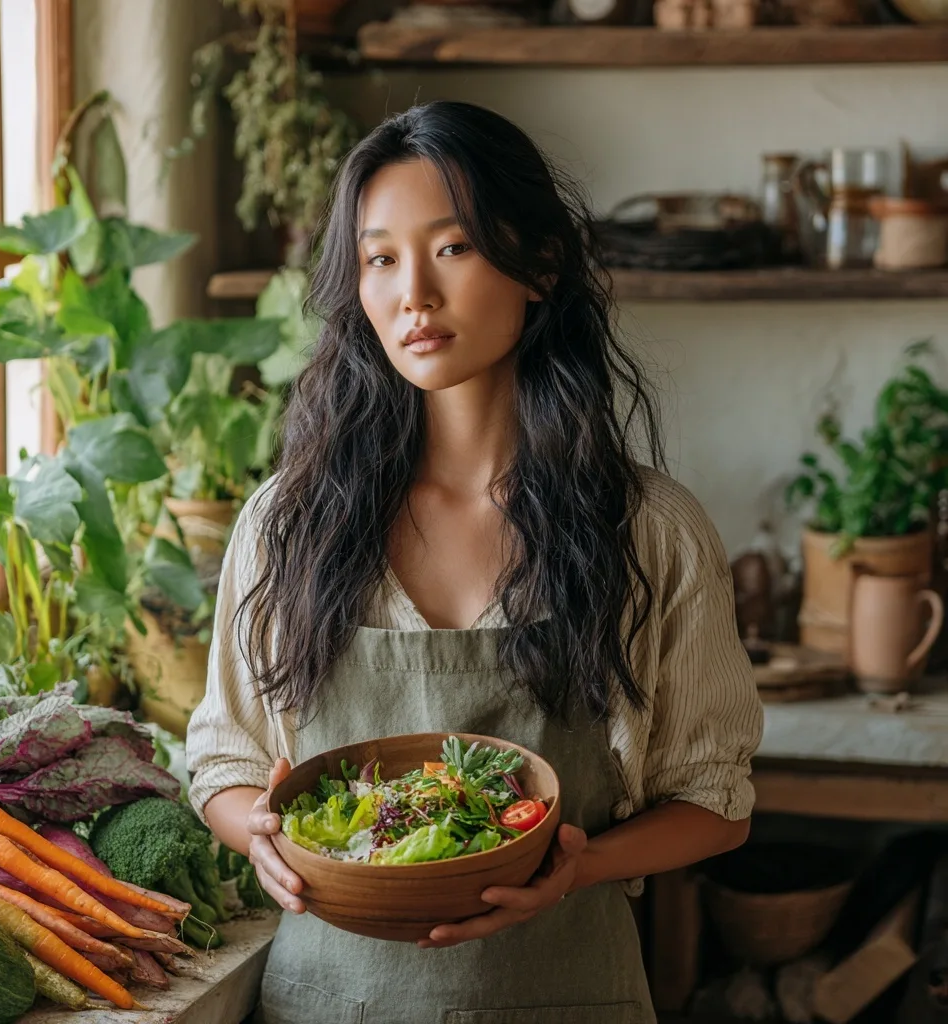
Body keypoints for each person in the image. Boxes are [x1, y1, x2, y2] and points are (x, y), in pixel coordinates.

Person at [186, 100, 763, 1024]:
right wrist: (255, 832)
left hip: (567, 994)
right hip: (328, 1003)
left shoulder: (649, 529)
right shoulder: (290, 524)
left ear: (540, 264)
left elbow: (716, 799)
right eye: (380, 258)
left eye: (451, 248)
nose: (414, 292)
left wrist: (577, 866)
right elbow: (222, 760)